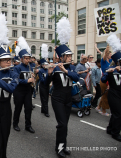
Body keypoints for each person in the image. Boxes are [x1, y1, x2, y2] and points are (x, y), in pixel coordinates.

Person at [49, 17, 79, 158]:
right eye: (67, 56)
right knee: (62, 124)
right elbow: (45, 82)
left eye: (70, 55)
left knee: (65, 125)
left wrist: (66, 70)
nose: (70, 57)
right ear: (61, 57)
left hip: (68, 99)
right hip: (58, 99)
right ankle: (59, 149)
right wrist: (49, 73)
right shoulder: (55, 68)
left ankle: (63, 146)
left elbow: (76, 77)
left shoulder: (71, 67)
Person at [13, 36, 35, 133]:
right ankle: (15, 123)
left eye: (29, 58)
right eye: (26, 58)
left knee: (28, 109)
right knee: (18, 108)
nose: (28, 60)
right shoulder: (17, 67)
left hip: (27, 91)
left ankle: (28, 125)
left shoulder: (30, 67)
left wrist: (33, 78)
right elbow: (16, 80)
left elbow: (31, 79)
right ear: (22, 59)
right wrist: (27, 81)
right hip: (19, 91)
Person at [101, 43, 121, 142]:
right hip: (113, 93)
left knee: (116, 113)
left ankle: (110, 129)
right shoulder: (111, 70)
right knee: (118, 113)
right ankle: (115, 133)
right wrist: (107, 72)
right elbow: (104, 80)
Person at [95, 44, 112, 116]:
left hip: (109, 80)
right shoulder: (103, 61)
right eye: (110, 54)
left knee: (104, 95)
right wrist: (108, 46)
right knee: (105, 96)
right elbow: (104, 53)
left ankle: (98, 107)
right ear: (107, 55)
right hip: (104, 81)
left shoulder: (110, 61)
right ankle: (104, 110)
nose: (111, 55)